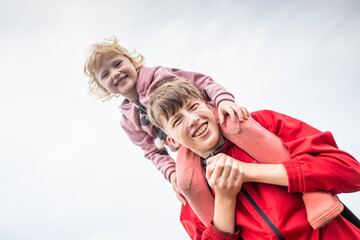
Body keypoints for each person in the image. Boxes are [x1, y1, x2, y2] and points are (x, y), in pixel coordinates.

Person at [147, 77, 360, 239]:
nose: (192, 120)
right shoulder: (190, 196)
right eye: (177, 121)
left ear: (210, 106)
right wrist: (225, 197)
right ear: (172, 141)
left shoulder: (263, 124)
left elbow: (350, 171)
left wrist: (247, 171)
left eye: (193, 107)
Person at [83, 37, 249, 205]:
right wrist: (172, 174)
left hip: (211, 126)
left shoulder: (160, 75)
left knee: (237, 125)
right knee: (189, 184)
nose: (115, 73)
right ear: (104, 88)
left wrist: (223, 100)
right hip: (190, 146)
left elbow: (202, 82)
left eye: (117, 64)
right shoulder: (129, 121)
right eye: (105, 75)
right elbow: (153, 151)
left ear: (132, 62)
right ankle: (213, 221)